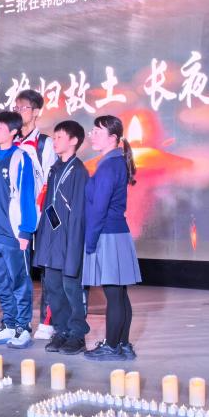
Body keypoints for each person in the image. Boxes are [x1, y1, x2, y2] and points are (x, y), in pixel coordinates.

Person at [83, 115, 141, 361]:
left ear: (113, 138)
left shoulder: (109, 166)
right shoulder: (114, 162)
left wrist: (90, 240)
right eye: (93, 130)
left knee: (114, 294)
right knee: (119, 294)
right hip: (116, 233)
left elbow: (99, 208)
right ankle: (123, 345)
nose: (92, 135)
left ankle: (113, 346)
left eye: (98, 132)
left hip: (107, 234)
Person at [0, 111, 37, 349]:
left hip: (13, 233)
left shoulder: (21, 158)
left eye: (1, 128)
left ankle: (23, 327)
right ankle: (9, 325)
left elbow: (27, 196)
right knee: (1, 282)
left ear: (14, 132)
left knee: (19, 282)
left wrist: (26, 231)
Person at [35, 121, 90, 355]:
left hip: (69, 241)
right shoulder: (55, 169)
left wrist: (73, 245)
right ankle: (62, 330)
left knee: (71, 289)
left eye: (59, 137)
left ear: (74, 141)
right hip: (52, 240)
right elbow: (49, 206)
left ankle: (77, 335)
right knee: (54, 288)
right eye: (54, 137)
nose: (54, 141)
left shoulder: (78, 171)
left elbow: (78, 214)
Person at [13, 89, 58, 341]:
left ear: (36, 112)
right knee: (18, 270)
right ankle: (18, 321)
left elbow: (49, 182)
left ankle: (47, 322)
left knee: (47, 271)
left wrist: (39, 213)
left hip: (40, 216)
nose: (19, 112)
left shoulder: (45, 143)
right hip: (16, 218)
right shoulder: (12, 142)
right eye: (16, 108)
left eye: (24, 108)